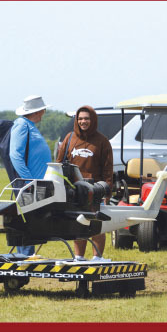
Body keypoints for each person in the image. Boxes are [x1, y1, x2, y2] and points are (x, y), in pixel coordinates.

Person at [56, 106, 113, 262]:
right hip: (74, 190)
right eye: (80, 118)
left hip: (95, 190)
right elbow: (59, 163)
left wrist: (107, 191)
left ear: (93, 120)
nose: (83, 121)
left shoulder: (102, 141)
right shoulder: (69, 138)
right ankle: (79, 256)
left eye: (86, 118)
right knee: (78, 223)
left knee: (96, 224)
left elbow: (108, 169)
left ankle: (97, 257)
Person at [10, 95, 52, 256]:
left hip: (37, 183)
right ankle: (24, 256)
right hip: (29, 184)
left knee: (34, 220)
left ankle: (26, 255)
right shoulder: (21, 125)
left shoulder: (29, 125)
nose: (45, 112)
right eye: (43, 109)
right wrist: (28, 180)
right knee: (29, 220)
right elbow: (15, 155)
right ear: (39, 111)